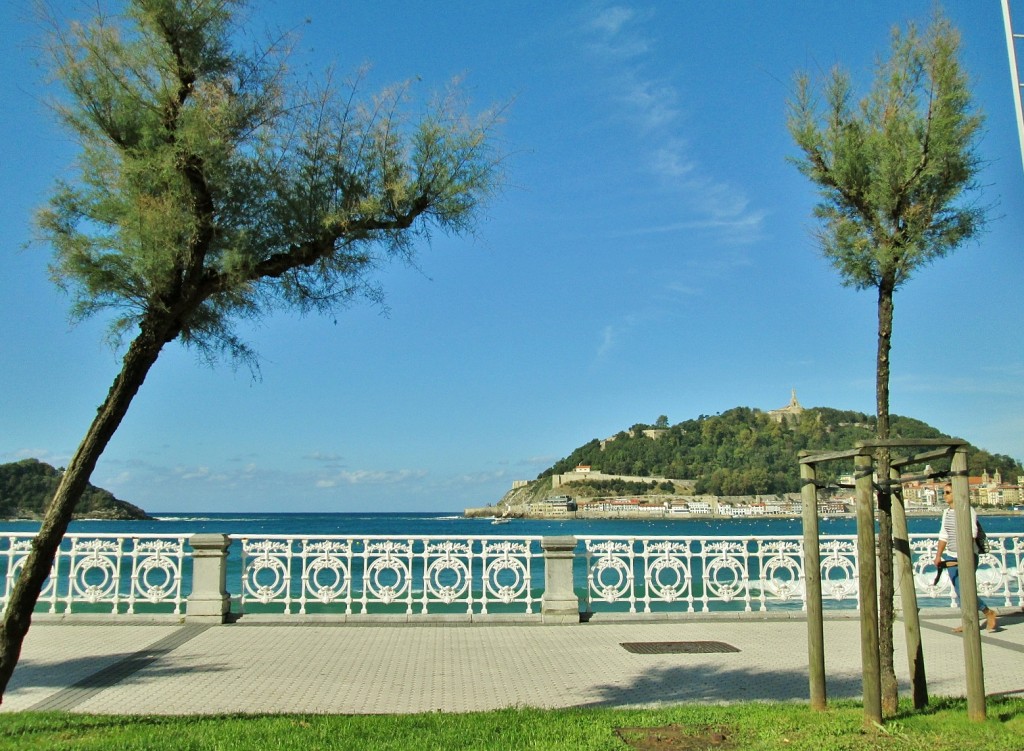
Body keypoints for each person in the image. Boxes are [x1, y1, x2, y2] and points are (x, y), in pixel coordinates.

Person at [934, 484, 998, 633]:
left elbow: (972, 533)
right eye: (944, 493)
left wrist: (965, 554)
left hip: (967, 556)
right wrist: (938, 555)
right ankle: (971, 620)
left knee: (965, 590)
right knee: (958, 590)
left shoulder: (968, 510)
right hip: (951, 555)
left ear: (957, 493)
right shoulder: (946, 512)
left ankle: (986, 613)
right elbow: (943, 535)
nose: (945, 495)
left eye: (948, 492)